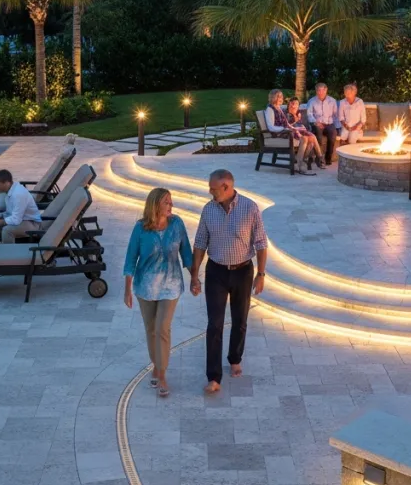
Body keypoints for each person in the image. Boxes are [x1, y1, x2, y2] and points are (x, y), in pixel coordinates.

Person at [190, 169, 268, 394]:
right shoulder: (208, 209)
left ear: (226, 187)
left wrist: (261, 275)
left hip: (243, 271)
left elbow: (261, 243)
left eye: (213, 188)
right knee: (214, 323)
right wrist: (195, 275)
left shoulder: (249, 207)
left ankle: (235, 357)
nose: (210, 192)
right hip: (216, 271)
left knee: (240, 320)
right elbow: (200, 243)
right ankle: (214, 376)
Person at [123, 188, 193, 398]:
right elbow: (130, 258)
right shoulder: (140, 228)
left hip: (171, 285)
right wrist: (127, 289)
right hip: (145, 287)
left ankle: (161, 374)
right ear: (155, 205)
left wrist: (195, 277)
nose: (171, 206)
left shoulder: (177, 224)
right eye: (167, 203)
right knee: (151, 329)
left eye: (171, 202)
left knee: (163, 328)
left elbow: (186, 252)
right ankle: (157, 365)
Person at [263, 89, 315, 175]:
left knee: (308, 139)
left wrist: (294, 128)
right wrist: (286, 129)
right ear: (274, 97)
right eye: (279, 97)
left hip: (285, 131)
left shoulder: (278, 108)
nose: (281, 98)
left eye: (281, 96)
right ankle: (299, 164)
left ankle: (298, 163)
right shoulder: (270, 109)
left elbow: (286, 123)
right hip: (278, 134)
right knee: (305, 139)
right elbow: (271, 127)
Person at [0, 169, 43, 243]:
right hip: (21, 219)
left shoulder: (18, 194)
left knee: (7, 230)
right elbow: (10, 212)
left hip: (31, 223)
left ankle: (8, 253)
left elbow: (15, 219)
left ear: (6, 183)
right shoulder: (8, 192)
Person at [305, 82, 340, 165]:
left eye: (322, 90)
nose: (320, 93)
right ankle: (319, 158)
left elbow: (336, 115)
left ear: (326, 90)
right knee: (319, 137)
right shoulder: (312, 101)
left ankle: (328, 158)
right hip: (317, 124)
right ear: (316, 91)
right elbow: (309, 114)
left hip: (329, 124)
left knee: (332, 135)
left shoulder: (332, 101)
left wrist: (338, 127)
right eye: (318, 91)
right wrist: (316, 122)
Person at [286, 97, 326, 168]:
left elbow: (302, 124)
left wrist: (301, 124)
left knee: (312, 139)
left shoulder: (298, 113)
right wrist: (296, 120)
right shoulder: (287, 114)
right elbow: (288, 126)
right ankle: (318, 158)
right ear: (289, 105)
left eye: (297, 104)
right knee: (311, 138)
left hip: (302, 131)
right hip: (294, 132)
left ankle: (302, 160)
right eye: (292, 104)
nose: (294, 105)